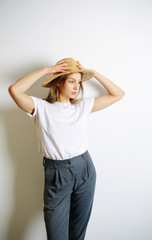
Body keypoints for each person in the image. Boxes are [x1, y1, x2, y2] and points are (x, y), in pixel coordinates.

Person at [8, 57, 125, 240]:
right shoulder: (40, 107)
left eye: (79, 82)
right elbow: (14, 90)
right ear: (58, 82)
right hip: (57, 173)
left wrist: (93, 73)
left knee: (77, 235)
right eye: (71, 81)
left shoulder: (82, 106)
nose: (76, 86)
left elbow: (118, 94)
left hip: (85, 168)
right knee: (56, 236)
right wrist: (47, 70)